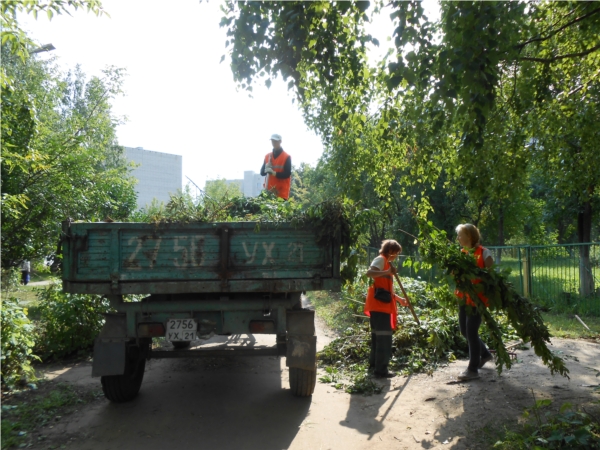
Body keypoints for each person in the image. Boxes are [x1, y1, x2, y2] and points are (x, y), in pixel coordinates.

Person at [454, 223, 494, 381]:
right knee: (464, 331)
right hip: (463, 298)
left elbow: (491, 278)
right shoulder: (462, 254)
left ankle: (472, 369)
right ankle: (484, 354)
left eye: (460, 235)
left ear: (469, 236)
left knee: (471, 331)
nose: (458, 238)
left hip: (478, 300)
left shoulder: (484, 253)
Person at [364, 239, 407, 378]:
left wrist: (399, 299)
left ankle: (374, 365)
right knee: (384, 338)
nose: (396, 256)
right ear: (390, 251)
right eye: (396, 253)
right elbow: (369, 273)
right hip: (379, 307)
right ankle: (381, 370)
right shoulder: (381, 260)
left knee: (377, 336)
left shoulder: (386, 263)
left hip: (380, 306)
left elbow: (385, 289)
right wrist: (387, 271)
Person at [260, 133, 292, 200]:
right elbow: (262, 173)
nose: (273, 143)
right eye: (272, 141)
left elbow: (287, 174)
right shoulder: (267, 156)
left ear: (280, 141)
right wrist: (266, 168)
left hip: (281, 193)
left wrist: (274, 173)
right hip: (269, 192)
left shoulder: (286, 157)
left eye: (275, 141)